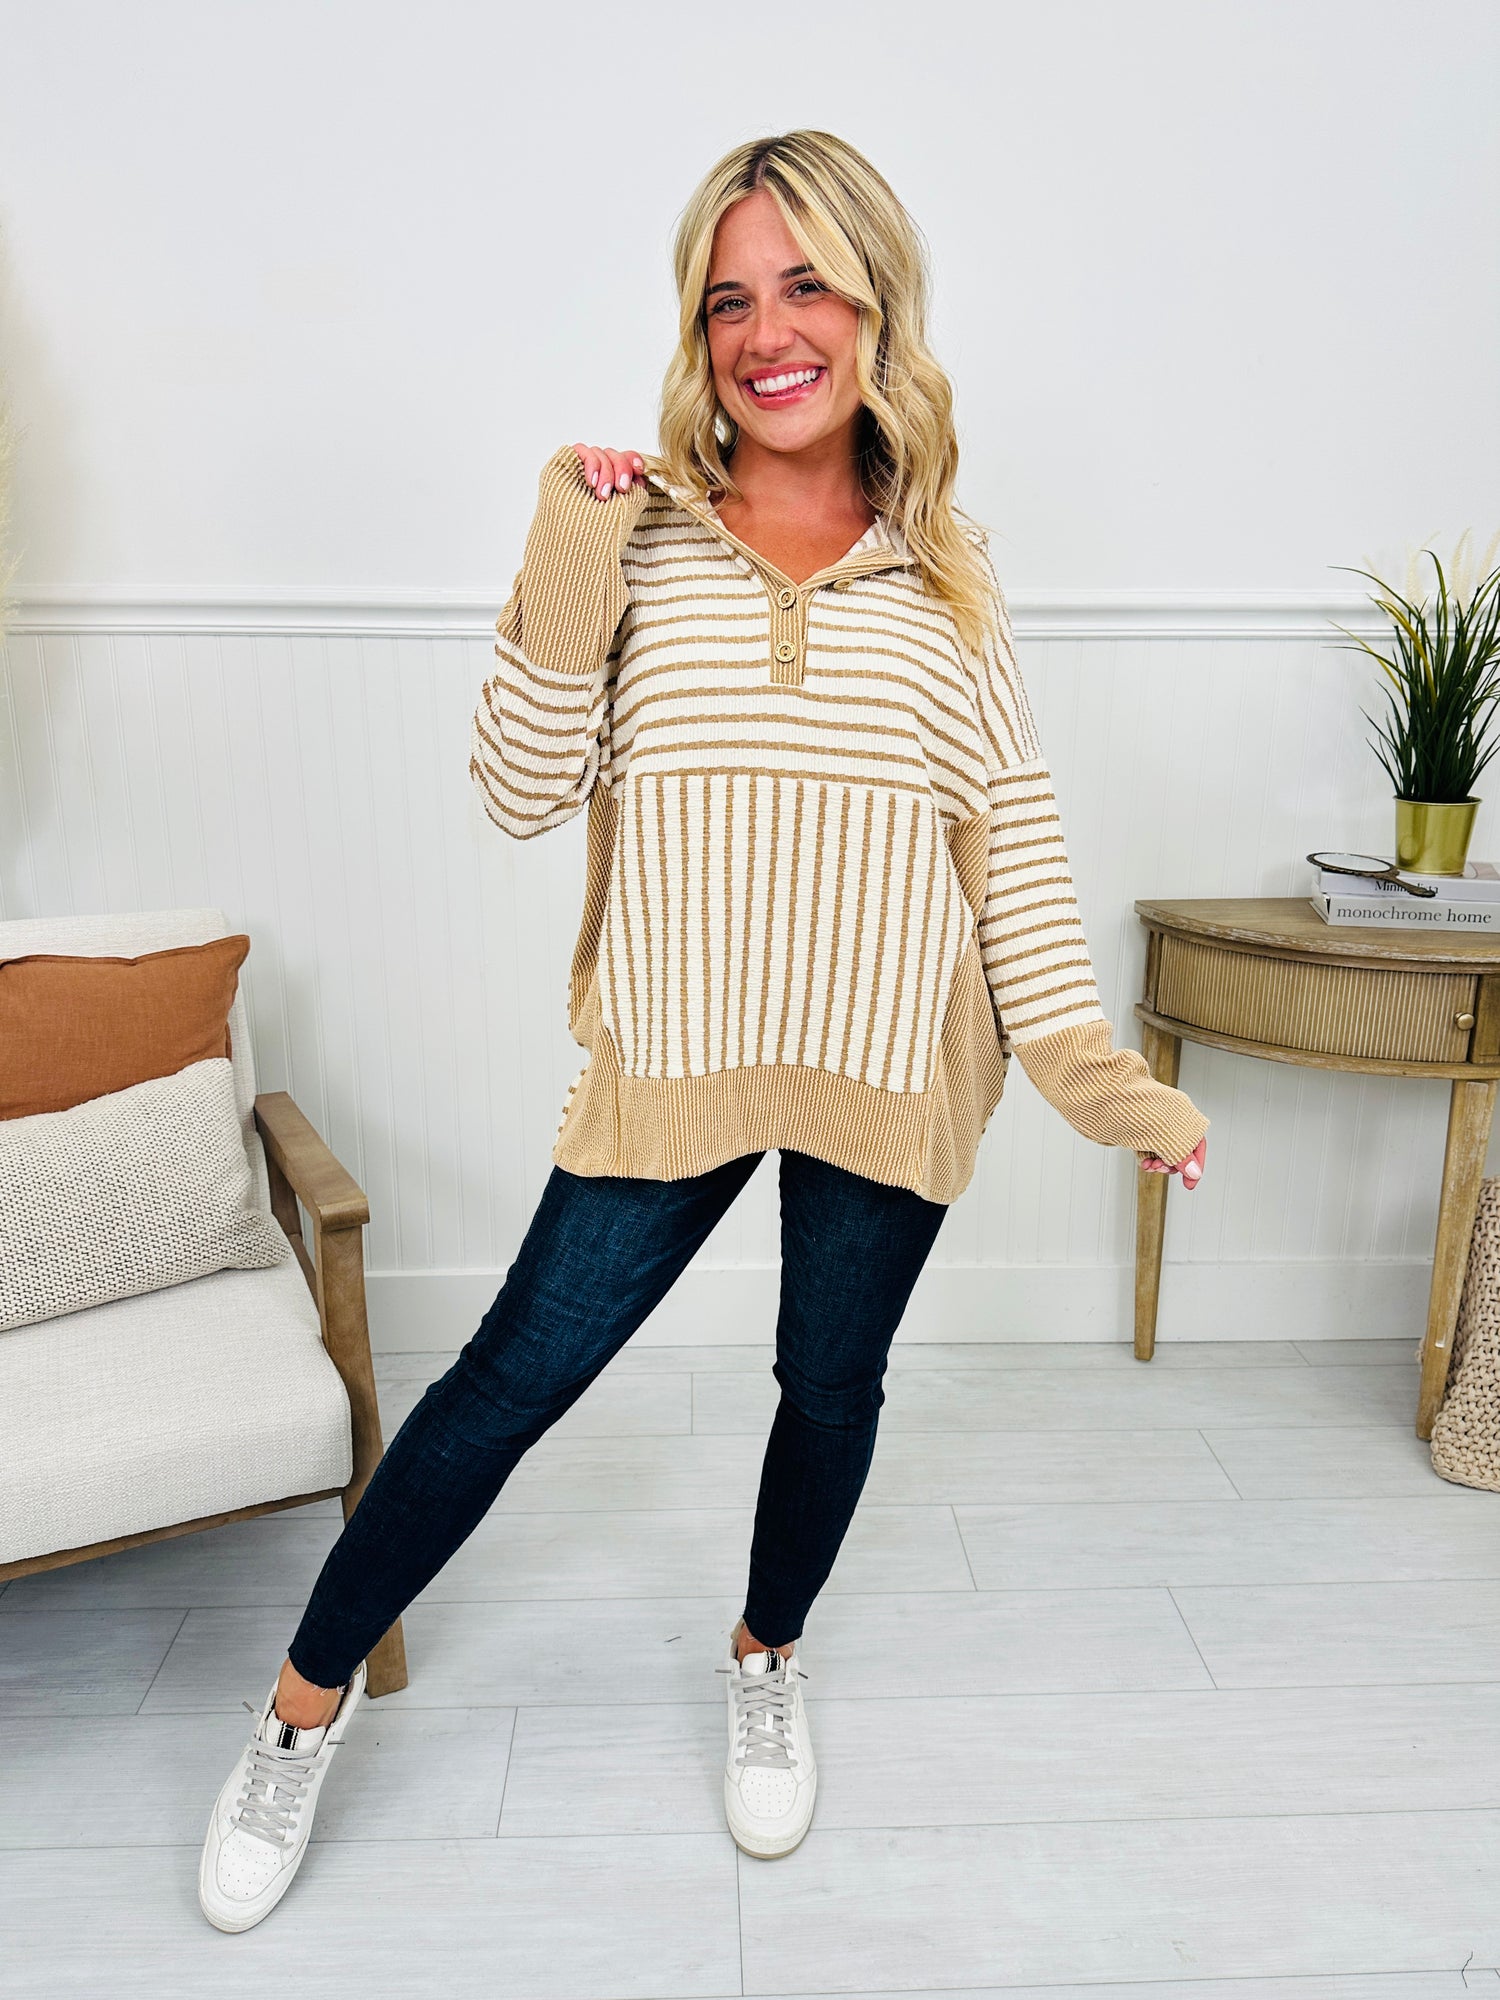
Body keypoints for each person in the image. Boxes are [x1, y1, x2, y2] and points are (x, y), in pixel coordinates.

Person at [198, 127, 1208, 1934]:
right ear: (697, 332)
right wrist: (566, 547)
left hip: (889, 1067)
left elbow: (1017, 854)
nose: (768, 332)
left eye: (809, 284)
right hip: (673, 1057)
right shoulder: (637, 538)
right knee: (508, 1383)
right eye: (729, 299)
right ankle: (296, 1708)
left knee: (829, 1385)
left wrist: (1101, 1080)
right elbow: (518, 787)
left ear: (878, 306)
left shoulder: (953, 581)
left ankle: (765, 1652)